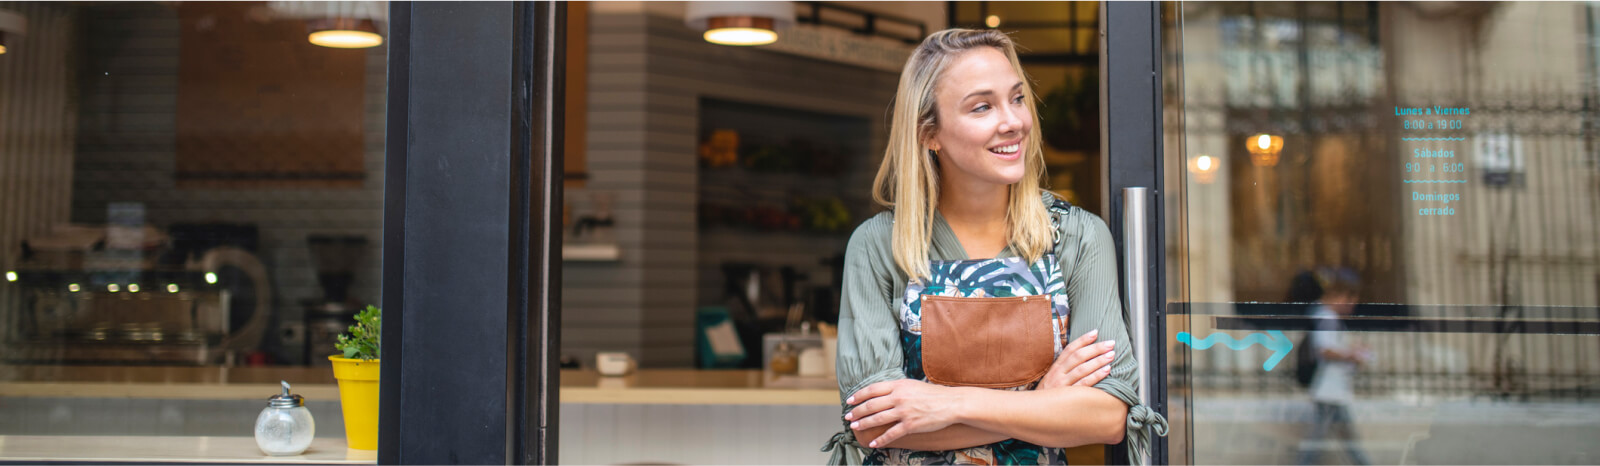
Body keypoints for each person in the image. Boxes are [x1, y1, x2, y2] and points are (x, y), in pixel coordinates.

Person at [821, 28, 1166, 465]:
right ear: (930, 133)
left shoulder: (1076, 237)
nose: (1013, 121)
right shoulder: (879, 246)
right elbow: (874, 423)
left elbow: (1108, 416)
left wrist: (948, 404)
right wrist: (1043, 403)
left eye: (1017, 98)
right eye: (982, 106)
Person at [1296, 267, 1373, 465]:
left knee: (1335, 439)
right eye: (1350, 299)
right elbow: (1325, 350)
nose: (1352, 305)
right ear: (1339, 296)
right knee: (1321, 441)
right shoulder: (1326, 317)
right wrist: (1352, 355)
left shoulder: (1325, 316)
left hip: (1333, 389)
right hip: (1328, 388)